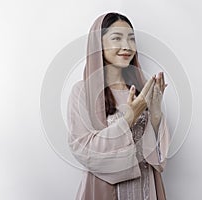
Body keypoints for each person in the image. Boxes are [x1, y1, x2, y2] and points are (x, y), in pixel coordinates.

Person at [67, 12, 170, 200]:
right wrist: (129, 117)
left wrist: (155, 113)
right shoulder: (82, 92)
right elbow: (83, 149)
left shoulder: (141, 89)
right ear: (98, 44)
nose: (127, 47)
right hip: (106, 190)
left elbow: (153, 153)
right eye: (117, 38)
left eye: (131, 39)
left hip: (145, 187)